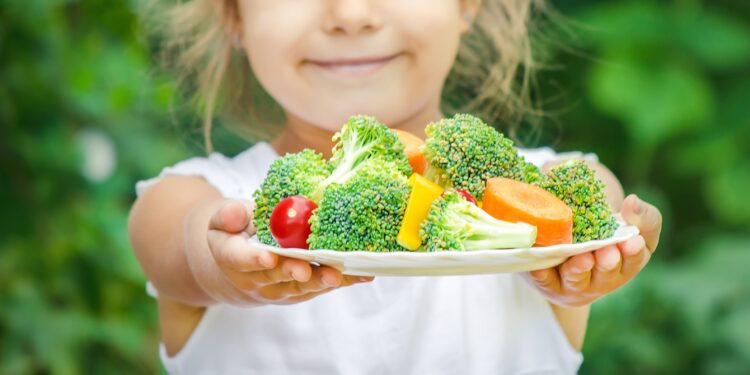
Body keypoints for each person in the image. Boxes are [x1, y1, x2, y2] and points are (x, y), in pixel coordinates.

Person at [128, 0, 663, 373]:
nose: (351, 15)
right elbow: (184, 242)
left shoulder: (522, 201)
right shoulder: (197, 196)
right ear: (232, 13)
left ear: (466, 4)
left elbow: (592, 193)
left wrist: (585, 255)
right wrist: (228, 270)